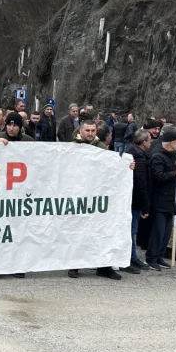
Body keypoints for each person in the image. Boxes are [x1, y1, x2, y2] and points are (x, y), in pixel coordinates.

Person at [68, 117, 122, 281]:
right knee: (77, 231)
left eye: (93, 131)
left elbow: (112, 167)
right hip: (79, 194)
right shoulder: (71, 148)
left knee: (101, 230)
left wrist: (126, 165)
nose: (90, 134)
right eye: (87, 130)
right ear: (80, 131)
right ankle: (73, 265)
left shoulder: (102, 148)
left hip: (98, 195)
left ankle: (104, 266)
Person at [146, 125, 176, 270]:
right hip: (160, 200)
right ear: (171, 142)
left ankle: (160, 256)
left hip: (170, 200)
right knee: (158, 231)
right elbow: (158, 177)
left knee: (167, 233)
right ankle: (151, 258)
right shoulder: (157, 156)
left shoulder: (172, 155)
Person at [128, 130, 151, 272]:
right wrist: (145, 206)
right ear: (144, 142)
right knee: (132, 230)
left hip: (133, 199)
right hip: (135, 201)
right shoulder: (139, 158)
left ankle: (133, 256)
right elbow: (140, 183)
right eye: (149, 140)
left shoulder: (133, 153)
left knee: (132, 230)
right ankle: (131, 258)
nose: (151, 142)